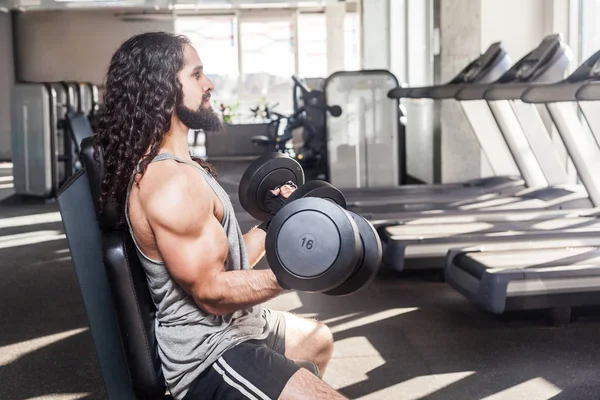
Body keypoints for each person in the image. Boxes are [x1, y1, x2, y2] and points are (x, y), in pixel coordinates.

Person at [93, 32, 346, 400]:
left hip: (238, 324)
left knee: (317, 340)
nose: (209, 85)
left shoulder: (183, 166)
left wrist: (278, 219)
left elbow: (224, 260)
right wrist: (298, 271)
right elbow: (211, 292)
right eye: (197, 75)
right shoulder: (170, 184)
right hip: (209, 351)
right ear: (162, 90)